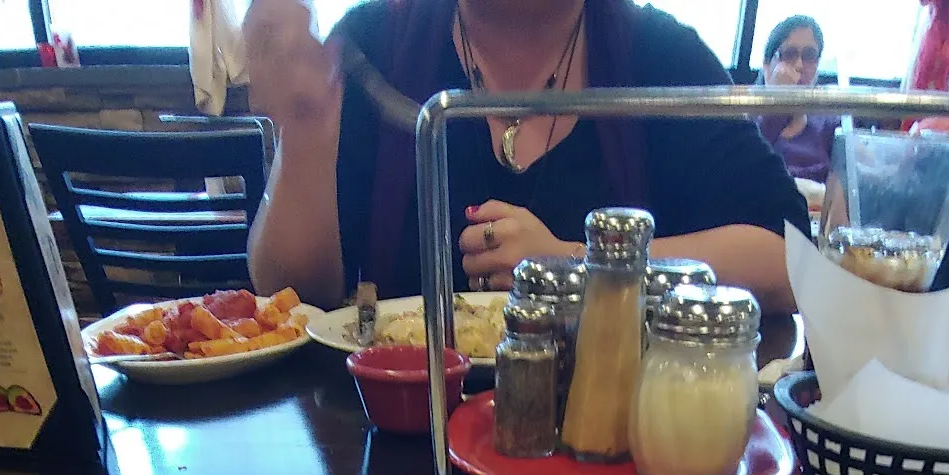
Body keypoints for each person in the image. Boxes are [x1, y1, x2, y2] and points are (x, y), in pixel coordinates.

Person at [243, 0, 808, 313]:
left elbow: (788, 263)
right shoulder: (373, 46)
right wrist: (306, 130)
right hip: (397, 453)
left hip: (614, 452)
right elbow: (288, 290)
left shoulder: (661, 56)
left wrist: (576, 266)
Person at [754, 15, 839, 192]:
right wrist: (777, 104)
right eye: (789, 54)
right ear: (767, 66)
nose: (799, 65)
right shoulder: (746, 122)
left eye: (809, 56)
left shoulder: (830, 125)